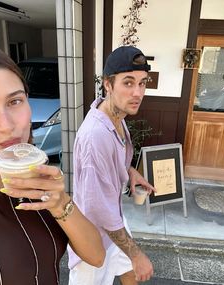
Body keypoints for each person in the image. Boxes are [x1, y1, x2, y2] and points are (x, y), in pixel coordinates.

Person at [0, 47, 105, 285]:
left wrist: (60, 202)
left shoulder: (39, 176)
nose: (6, 125)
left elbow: (96, 256)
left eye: (14, 101)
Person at [68, 46, 156, 285]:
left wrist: (129, 171)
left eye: (142, 83)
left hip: (112, 217)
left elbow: (110, 160)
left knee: (130, 272)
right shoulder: (96, 135)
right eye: (128, 83)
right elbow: (97, 207)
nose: (137, 92)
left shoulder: (113, 115)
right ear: (108, 84)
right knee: (133, 264)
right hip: (91, 233)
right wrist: (136, 253)